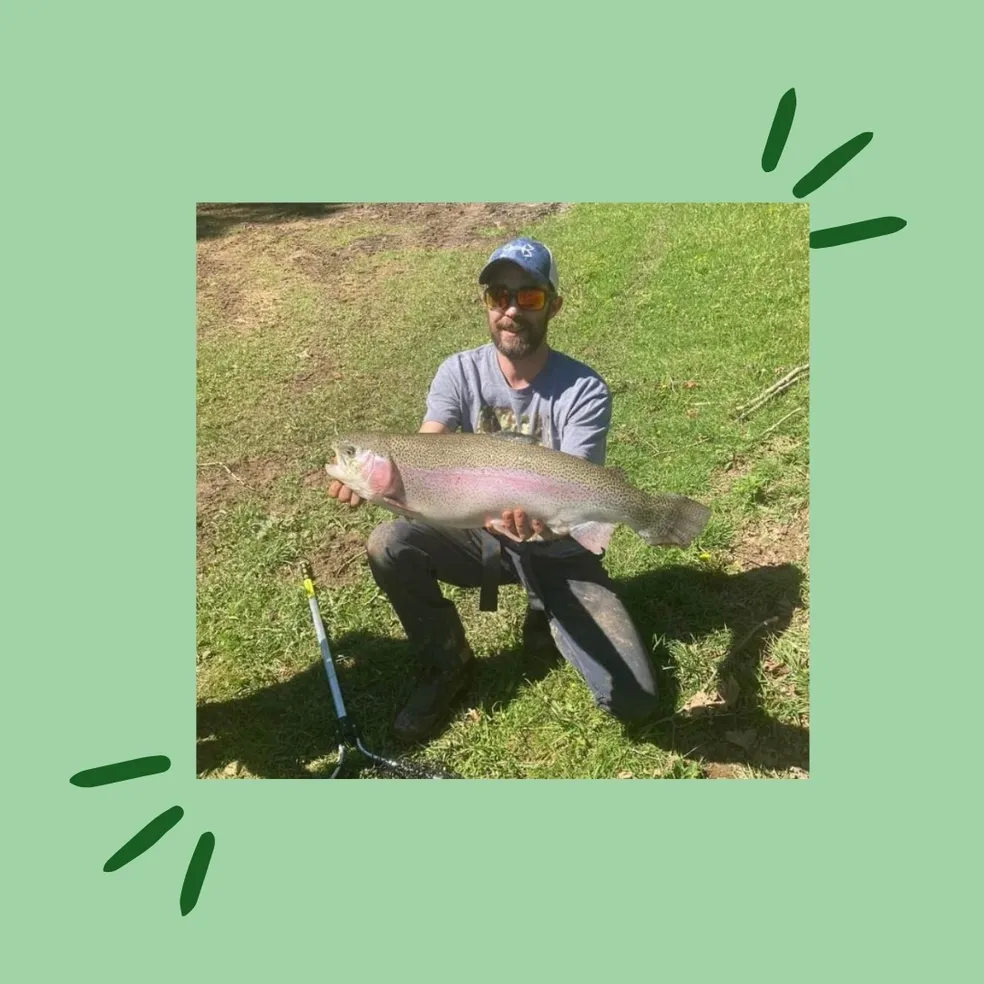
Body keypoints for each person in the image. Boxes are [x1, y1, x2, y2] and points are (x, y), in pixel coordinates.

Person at [327, 237, 659, 742]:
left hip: (559, 544)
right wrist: (381, 485)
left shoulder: (583, 389)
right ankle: (448, 663)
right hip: (482, 540)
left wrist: (617, 515)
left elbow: (577, 487)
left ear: (554, 305)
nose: (510, 310)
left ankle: (546, 606)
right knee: (389, 544)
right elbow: (427, 446)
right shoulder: (458, 371)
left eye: (528, 297)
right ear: (486, 303)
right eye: (497, 296)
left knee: (634, 700)